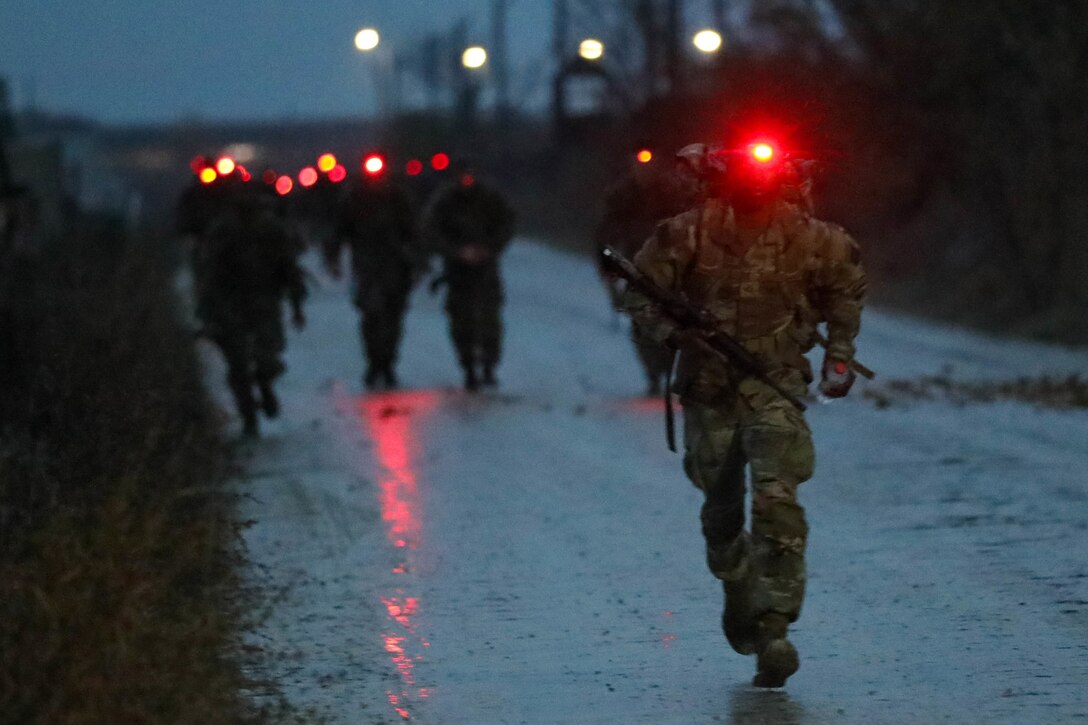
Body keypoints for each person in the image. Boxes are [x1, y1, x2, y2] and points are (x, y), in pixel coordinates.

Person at [622, 140, 866, 688]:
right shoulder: (688, 232)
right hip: (710, 392)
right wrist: (674, 332)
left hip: (774, 385)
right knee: (721, 512)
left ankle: (775, 628)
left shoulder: (812, 237)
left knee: (778, 499)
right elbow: (638, 294)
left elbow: (845, 287)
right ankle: (738, 588)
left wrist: (839, 357)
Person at [198, 189, 306, 436]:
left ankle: (265, 385)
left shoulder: (273, 231)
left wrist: (297, 305)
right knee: (237, 364)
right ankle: (249, 418)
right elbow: (209, 274)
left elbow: (290, 269)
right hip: (230, 304)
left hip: (264, 302)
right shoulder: (223, 232)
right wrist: (208, 311)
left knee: (267, 357)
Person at [595, 146, 694, 395]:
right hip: (636, 266)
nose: (644, 169)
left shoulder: (673, 192)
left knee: (677, 320)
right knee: (642, 320)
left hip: (674, 265)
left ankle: (672, 371)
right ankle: (653, 374)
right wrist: (606, 266)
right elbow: (606, 230)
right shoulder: (622, 195)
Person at [325, 158, 423, 390]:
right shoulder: (354, 198)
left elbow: (415, 231)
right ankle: (374, 362)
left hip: (396, 265)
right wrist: (334, 259)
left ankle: (388, 362)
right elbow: (338, 230)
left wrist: (419, 262)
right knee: (371, 315)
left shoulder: (399, 197)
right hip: (366, 266)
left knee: (393, 316)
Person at [423, 166, 515, 391]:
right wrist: (455, 252)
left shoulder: (490, 198)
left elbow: (507, 223)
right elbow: (431, 230)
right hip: (457, 270)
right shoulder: (445, 201)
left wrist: (490, 249)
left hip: (486, 268)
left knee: (489, 318)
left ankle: (489, 365)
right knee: (461, 319)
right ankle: (468, 367)